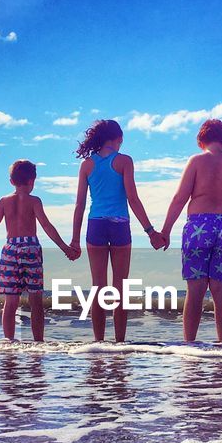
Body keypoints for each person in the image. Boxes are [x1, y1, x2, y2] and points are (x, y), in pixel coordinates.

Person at [158, 119, 222, 342]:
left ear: (200, 140)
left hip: (198, 227)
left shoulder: (196, 161)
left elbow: (179, 198)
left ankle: (190, 344)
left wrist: (165, 231)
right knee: (221, 288)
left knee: (195, 289)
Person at [69, 120, 166, 342]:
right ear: (116, 138)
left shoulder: (87, 165)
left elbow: (79, 205)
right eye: (121, 139)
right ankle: (119, 343)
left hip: (96, 225)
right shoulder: (124, 161)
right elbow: (132, 198)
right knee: (120, 287)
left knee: (98, 287)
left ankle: (98, 342)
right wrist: (150, 231)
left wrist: (75, 240)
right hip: (119, 225)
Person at [0, 159, 78, 341]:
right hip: (30, 248)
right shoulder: (34, 201)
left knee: (11, 301)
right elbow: (47, 226)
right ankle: (38, 342)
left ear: (11, 181)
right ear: (32, 181)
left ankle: (9, 342)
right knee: (35, 300)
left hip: (10, 249)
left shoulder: (4, 201)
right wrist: (65, 248)